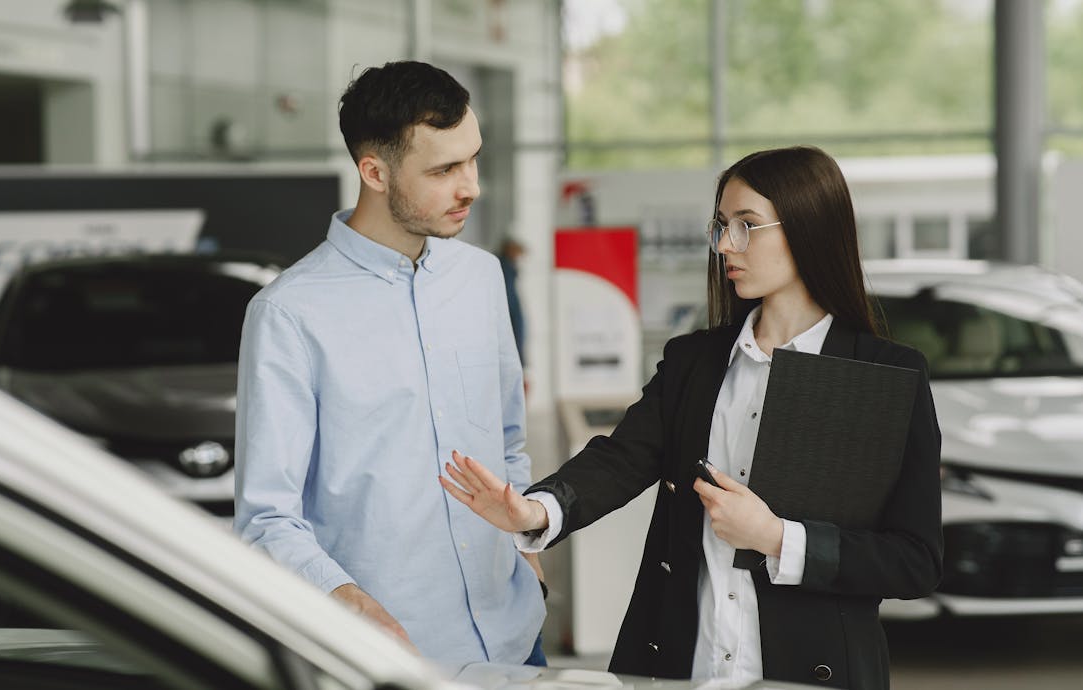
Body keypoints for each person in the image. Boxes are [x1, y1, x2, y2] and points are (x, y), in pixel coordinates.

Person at [440, 146, 942, 690]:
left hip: (814, 673)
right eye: (723, 226)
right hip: (679, 669)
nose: (726, 245)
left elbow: (913, 560)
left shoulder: (886, 375)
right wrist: (534, 512)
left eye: (747, 225)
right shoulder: (695, 361)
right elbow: (621, 458)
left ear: (808, 227)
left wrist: (777, 538)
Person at [234, 60, 546, 667]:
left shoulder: (482, 279)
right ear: (373, 172)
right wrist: (349, 605)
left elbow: (508, 440)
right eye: (444, 169)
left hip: (513, 636)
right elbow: (268, 516)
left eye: (473, 158)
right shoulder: (289, 313)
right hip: (389, 655)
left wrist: (528, 562)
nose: (471, 186)